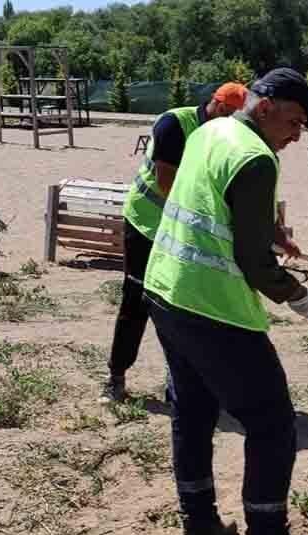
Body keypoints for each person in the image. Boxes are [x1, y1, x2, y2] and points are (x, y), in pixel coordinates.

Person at [142, 67, 308, 535]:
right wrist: (298, 296)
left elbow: (209, 197)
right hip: (214, 309)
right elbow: (251, 262)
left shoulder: (210, 130)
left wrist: (269, 230)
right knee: (271, 423)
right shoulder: (256, 158)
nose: (296, 135)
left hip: (165, 289)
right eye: (293, 122)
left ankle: (199, 526)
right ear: (264, 106)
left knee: (193, 411)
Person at [101, 82, 250, 402]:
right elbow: (168, 185)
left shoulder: (225, 138)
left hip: (185, 227)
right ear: (217, 104)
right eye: (227, 114)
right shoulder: (174, 124)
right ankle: (116, 376)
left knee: (185, 304)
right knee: (136, 301)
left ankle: (178, 380)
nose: (230, 124)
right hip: (146, 223)